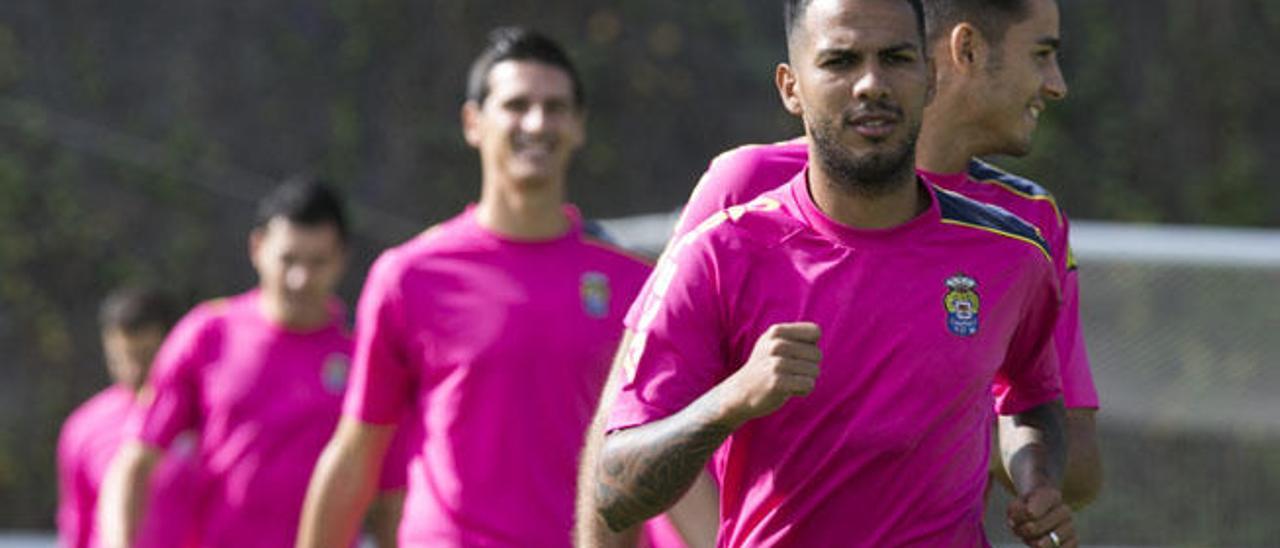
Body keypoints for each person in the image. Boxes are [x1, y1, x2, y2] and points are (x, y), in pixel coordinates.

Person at [586, 0, 1077, 546]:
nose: (871, 83)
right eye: (840, 61)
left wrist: (1038, 478)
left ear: (931, 77)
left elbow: (1032, 393)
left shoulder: (1011, 254)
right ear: (791, 87)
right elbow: (614, 487)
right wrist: (731, 400)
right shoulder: (719, 253)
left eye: (895, 58)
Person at [294, 27, 655, 547]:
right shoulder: (410, 276)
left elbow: (663, 461)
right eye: (516, 105)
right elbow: (356, 457)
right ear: (473, 122)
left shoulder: (635, 286)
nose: (537, 122)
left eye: (555, 108)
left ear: (578, 126)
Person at [96, 179, 404, 548]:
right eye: (288, 259)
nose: (300, 278)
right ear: (257, 248)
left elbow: (389, 496)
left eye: (317, 262)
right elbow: (135, 461)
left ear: (341, 259)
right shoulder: (208, 334)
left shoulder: (363, 356)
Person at [57, 286, 201, 548]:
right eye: (120, 358)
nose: (133, 370)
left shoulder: (204, 417)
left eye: (146, 356)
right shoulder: (84, 426)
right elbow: (76, 523)